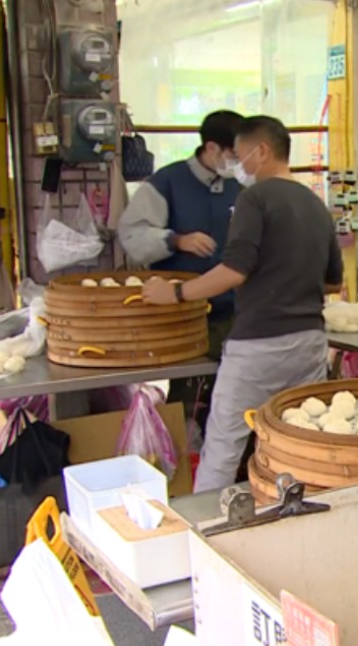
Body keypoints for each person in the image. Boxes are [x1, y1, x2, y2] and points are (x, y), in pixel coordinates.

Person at [143, 116, 342, 493]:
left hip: (258, 347)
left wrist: (177, 293)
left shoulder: (254, 198)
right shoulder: (316, 205)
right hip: (310, 346)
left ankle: (206, 537)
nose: (238, 165)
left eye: (241, 155)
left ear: (262, 151)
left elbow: (235, 270)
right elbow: (334, 281)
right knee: (298, 442)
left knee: (224, 446)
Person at [119, 110, 244, 431]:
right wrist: (176, 240)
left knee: (237, 399)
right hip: (183, 315)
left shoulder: (243, 185)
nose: (239, 161)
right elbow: (131, 234)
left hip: (238, 313)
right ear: (213, 148)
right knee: (191, 398)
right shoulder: (167, 183)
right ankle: (191, 461)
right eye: (234, 154)